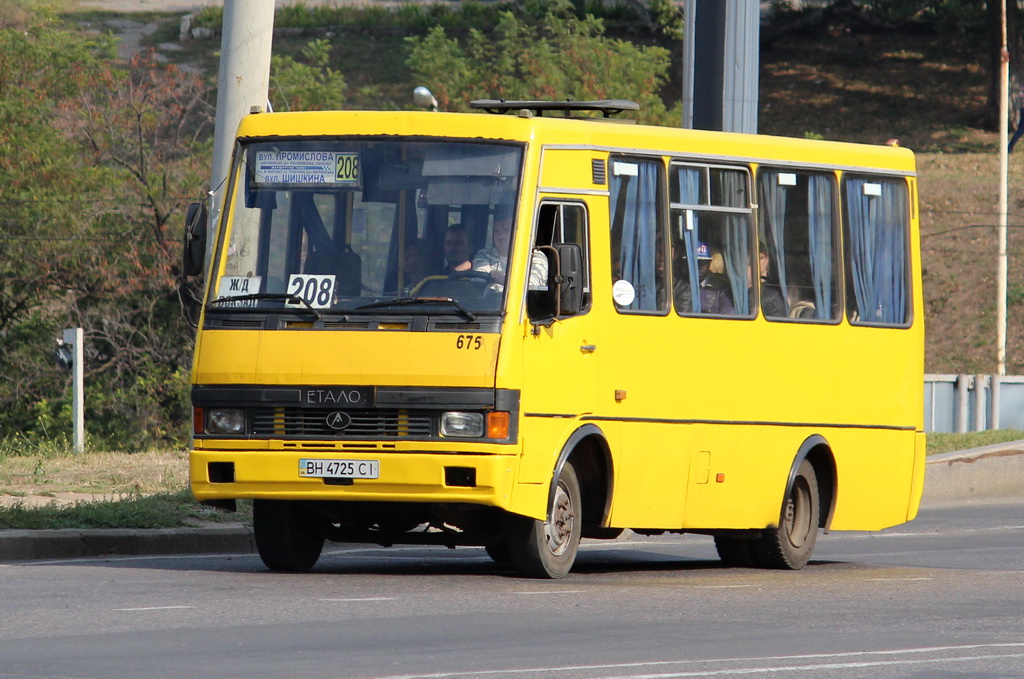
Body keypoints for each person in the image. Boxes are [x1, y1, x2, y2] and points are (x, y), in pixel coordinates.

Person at [472, 215, 547, 290]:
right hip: (489, 300)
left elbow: (532, 285)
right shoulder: (484, 254)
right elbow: (479, 280)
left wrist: (503, 278)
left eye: (506, 230)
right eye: (497, 231)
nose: (500, 236)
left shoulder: (535, 256)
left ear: (518, 231)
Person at [753, 244, 788, 318]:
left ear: (767, 260)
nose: (757, 262)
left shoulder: (773, 289)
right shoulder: (746, 287)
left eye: (760, 258)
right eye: (753, 258)